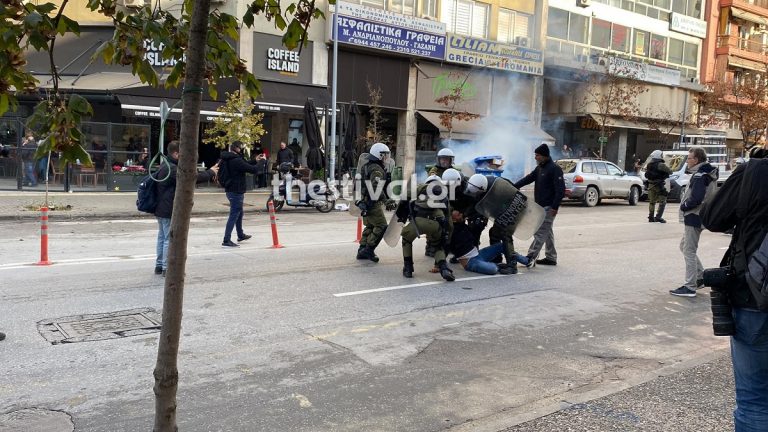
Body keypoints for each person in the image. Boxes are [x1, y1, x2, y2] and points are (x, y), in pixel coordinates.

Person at [700, 146, 768, 432]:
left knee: (754, 400)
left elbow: (712, 217)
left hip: (755, 299)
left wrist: (747, 171)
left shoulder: (758, 171)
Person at [153, 141, 218, 276]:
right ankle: (166, 268)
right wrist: (210, 172)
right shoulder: (172, 168)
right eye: (184, 153)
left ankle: (159, 265)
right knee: (167, 239)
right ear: (176, 154)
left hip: (161, 208)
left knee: (162, 237)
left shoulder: (166, 165)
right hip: (168, 208)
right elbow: (190, 179)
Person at [669, 147, 718, 297]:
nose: (688, 161)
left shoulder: (699, 176)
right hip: (701, 215)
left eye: (689, 158)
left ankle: (690, 286)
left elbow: (696, 198)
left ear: (696, 160)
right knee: (684, 246)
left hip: (694, 215)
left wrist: (684, 206)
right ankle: (701, 276)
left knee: (689, 250)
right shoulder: (708, 173)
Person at [514, 143, 565, 266]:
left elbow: (560, 189)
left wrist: (555, 207)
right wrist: (514, 186)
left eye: (537, 155)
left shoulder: (554, 169)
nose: (535, 157)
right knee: (547, 231)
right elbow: (528, 179)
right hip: (540, 207)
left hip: (549, 207)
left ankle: (530, 257)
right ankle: (551, 257)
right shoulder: (540, 168)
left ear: (544, 156)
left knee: (540, 232)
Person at [400, 174, 455, 281]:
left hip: (419, 222)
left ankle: (408, 268)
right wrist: (447, 236)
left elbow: (405, 196)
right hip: (436, 224)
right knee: (438, 246)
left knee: (406, 239)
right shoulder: (444, 195)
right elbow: (449, 221)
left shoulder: (422, 187)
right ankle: (444, 269)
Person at [448, 210, 528, 275]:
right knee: (493, 269)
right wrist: (439, 265)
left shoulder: (463, 226)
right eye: (459, 215)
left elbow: (475, 234)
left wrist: (482, 224)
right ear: (453, 219)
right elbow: (445, 247)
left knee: (501, 246)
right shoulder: (452, 232)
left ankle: (527, 261)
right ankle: (499, 265)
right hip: (470, 262)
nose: (461, 215)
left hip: (478, 254)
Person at [356, 142, 392, 263]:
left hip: (364, 200)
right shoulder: (376, 169)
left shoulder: (366, 165)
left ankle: (361, 250)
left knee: (370, 226)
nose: (387, 157)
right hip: (372, 202)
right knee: (381, 226)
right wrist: (386, 201)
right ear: (378, 155)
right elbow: (376, 188)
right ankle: (369, 250)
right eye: (385, 155)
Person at [220, 141, 260, 247]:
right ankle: (226, 240)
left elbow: (245, 165)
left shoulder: (228, 158)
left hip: (230, 189)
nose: (241, 149)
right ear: (237, 148)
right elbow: (253, 170)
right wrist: (262, 162)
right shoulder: (236, 160)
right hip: (236, 190)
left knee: (239, 212)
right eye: (241, 148)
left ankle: (240, 234)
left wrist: (255, 160)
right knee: (234, 214)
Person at [645, 150, 672, 223]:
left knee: (652, 202)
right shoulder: (661, 165)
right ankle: (658, 217)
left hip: (651, 185)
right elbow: (670, 171)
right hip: (659, 185)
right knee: (662, 201)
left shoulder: (649, 164)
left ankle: (651, 217)